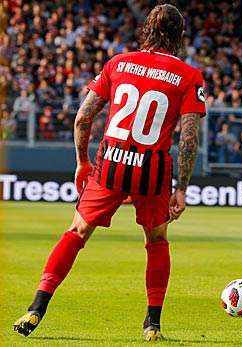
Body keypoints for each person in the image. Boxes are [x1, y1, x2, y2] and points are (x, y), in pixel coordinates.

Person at [13, 4, 205, 341]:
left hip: (111, 162)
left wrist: (82, 162)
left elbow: (82, 118)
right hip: (152, 168)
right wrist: (182, 188)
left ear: (146, 29)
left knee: (77, 232)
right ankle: (152, 325)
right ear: (180, 36)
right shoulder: (189, 76)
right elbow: (189, 138)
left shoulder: (118, 63)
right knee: (157, 240)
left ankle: (36, 308)